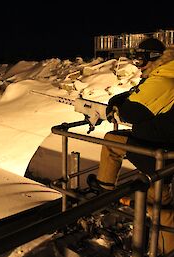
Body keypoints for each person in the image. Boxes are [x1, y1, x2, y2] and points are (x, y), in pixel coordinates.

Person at [87, 37, 174, 254]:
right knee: (160, 206)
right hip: (158, 143)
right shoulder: (163, 75)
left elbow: (131, 112)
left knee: (160, 208)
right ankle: (105, 188)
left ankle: (166, 251)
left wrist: (118, 108)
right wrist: (117, 101)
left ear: (153, 59)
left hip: (158, 152)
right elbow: (132, 94)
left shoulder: (162, 81)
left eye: (141, 60)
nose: (138, 65)